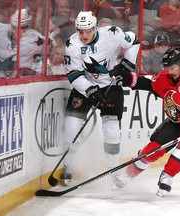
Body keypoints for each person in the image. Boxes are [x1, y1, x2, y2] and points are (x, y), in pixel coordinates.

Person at [110, 47, 180, 197]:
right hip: (177, 121)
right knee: (152, 149)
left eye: (173, 67)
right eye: (167, 67)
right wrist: (127, 79)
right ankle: (128, 174)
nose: (169, 71)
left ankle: (167, 176)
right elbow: (150, 83)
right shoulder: (166, 76)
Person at [61, 10, 140, 185]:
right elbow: (74, 75)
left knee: (111, 130)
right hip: (85, 87)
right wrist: (91, 91)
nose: (84, 35)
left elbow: (134, 40)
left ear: (95, 27)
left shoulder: (112, 34)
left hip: (111, 86)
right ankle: (69, 166)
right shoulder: (72, 45)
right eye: (80, 31)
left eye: (88, 30)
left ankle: (114, 170)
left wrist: (127, 63)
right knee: (71, 126)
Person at [0, 8, 48, 78]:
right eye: (14, 27)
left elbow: (47, 54)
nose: (17, 31)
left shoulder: (36, 39)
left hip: (20, 82)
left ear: (28, 26)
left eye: (23, 28)